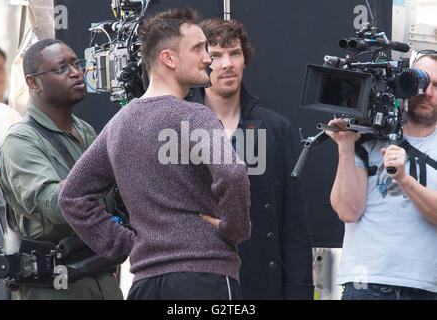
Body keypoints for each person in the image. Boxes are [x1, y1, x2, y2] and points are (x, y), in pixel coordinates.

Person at [58, 8, 251, 300]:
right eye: (198, 48)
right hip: (203, 278)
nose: (208, 58)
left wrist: (128, 245)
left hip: (144, 286)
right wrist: (234, 229)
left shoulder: (118, 125)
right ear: (169, 58)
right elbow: (233, 173)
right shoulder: (194, 115)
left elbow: (71, 197)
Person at [186, 18, 313, 299]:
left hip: (262, 282)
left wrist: (300, 290)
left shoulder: (276, 129)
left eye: (234, 53)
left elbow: (294, 224)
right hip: (197, 284)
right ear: (201, 61)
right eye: (215, 55)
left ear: (245, 59)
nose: (227, 64)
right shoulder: (179, 127)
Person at [0, 38, 123, 300]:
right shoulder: (20, 140)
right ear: (32, 83)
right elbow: (57, 205)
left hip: (100, 277)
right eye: (61, 67)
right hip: (55, 288)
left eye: (76, 63)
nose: (76, 72)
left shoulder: (84, 130)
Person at [327, 53, 437, 300]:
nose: (428, 92)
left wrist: (404, 180)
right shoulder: (368, 138)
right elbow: (347, 211)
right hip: (366, 284)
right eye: (421, 81)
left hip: (426, 287)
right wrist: (345, 145)